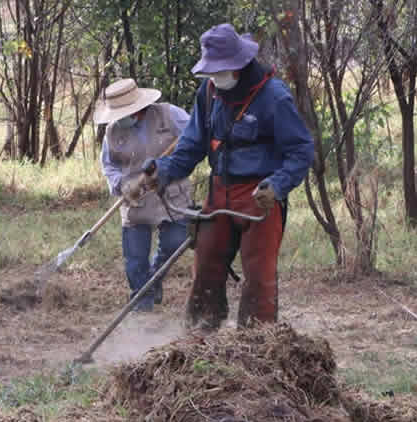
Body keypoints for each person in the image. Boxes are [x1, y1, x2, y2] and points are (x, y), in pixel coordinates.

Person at [124, 23, 313, 330]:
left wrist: (276, 186)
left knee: (259, 275)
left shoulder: (274, 97)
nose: (216, 76)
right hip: (220, 191)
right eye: (211, 71)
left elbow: (301, 150)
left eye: (221, 70)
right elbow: (190, 147)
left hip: (258, 198)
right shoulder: (209, 93)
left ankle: (257, 343)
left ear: (240, 64)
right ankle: (200, 337)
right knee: (206, 266)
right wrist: (160, 173)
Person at [95, 78, 193, 312]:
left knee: (175, 242)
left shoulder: (169, 115)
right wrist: (121, 184)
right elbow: (109, 165)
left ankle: (154, 280)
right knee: (135, 261)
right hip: (134, 198)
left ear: (138, 107)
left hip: (171, 194)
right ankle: (142, 304)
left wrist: (168, 165)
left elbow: (193, 139)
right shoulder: (112, 131)